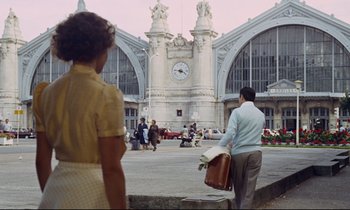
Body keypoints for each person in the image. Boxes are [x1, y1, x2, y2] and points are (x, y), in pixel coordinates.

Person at [33, 12, 126, 209]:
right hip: (93, 191)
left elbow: (42, 161)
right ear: (101, 50)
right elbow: (111, 169)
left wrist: (52, 195)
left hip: (56, 191)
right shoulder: (106, 95)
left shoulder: (46, 93)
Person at [218, 87, 265, 209]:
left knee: (239, 188)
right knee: (249, 189)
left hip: (239, 154)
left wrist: (219, 147)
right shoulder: (261, 114)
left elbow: (230, 133)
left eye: (239, 97)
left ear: (242, 97)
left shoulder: (237, 112)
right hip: (256, 153)